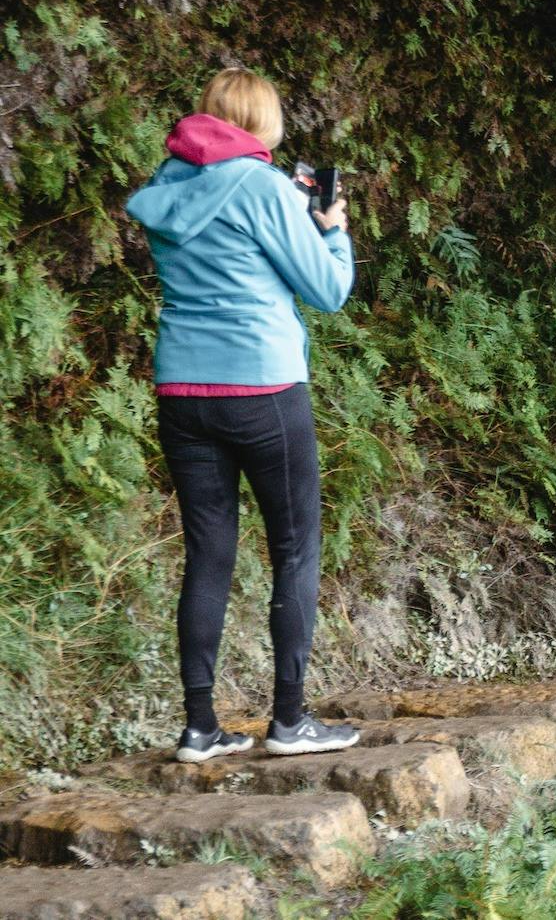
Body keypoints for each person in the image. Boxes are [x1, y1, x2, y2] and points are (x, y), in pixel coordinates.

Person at [126, 69, 363, 763]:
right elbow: (327, 290)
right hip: (261, 387)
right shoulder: (262, 187)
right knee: (294, 547)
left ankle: (199, 728)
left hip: (182, 391)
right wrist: (331, 229)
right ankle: (288, 721)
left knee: (208, 556)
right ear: (263, 124)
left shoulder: (167, 187)